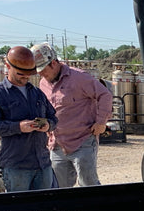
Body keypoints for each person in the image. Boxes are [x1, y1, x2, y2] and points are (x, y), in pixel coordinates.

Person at [31, 43, 111, 187]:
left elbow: (105, 95)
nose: (40, 74)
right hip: (57, 144)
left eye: (42, 70)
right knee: (59, 187)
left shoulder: (79, 78)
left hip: (83, 141)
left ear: (53, 63)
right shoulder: (43, 84)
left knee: (88, 185)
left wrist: (101, 122)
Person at [0, 46, 57, 192]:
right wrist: (18, 127)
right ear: (8, 66)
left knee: (44, 205)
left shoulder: (37, 93)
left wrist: (48, 125)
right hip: (15, 166)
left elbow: (53, 117)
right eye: (21, 74)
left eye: (29, 74)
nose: (25, 77)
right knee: (18, 206)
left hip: (42, 164)